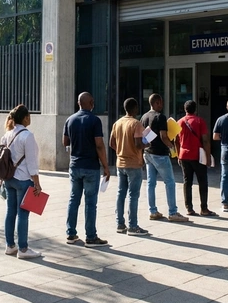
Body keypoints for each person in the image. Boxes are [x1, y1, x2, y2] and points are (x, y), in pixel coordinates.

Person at [63, 92, 111, 247]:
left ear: (78, 103)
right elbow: (99, 144)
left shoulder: (70, 120)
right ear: (91, 102)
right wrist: (105, 165)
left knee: (73, 199)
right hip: (90, 167)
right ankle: (91, 236)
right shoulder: (94, 120)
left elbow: (65, 141)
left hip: (75, 165)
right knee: (90, 202)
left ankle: (71, 233)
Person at [1, 105, 43, 259]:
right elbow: (32, 163)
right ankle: (23, 249)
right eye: (29, 116)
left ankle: (10, 245)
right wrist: (37, 183)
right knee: (23, 214)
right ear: (25, 118)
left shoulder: (7, 134)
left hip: (9, 179)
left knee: (10, 212)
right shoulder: (27, 136)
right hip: (24, 179)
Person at [140, 94, 189, 223]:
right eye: (160, 102)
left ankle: (153, 211)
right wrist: (172, 147)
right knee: (170, 182)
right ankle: (173, 212)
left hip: (148, 152)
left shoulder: (144, 117)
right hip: (160, 153)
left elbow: (143, 136)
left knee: (151, 183)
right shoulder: (160, 117)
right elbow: (163, 136)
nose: (162, 105)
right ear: (156, 103)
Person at [110, 98, 148, 236]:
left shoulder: (117, 123)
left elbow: (111, 143)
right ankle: (133, 226)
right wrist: (146, 144)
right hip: (134, 163)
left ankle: (120, 224)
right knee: (133, 195)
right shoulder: (136, 124)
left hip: (120, 163)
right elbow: (138, 144)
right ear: (135, 109)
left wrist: (121, 150)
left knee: (121, 193)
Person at [176, 100, 216, 217]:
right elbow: (205, 140)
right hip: (197, 155)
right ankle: (204, 208)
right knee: (202, 181)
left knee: (187, 182)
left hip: (184, 155)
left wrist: (178, 155)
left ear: (185, 109)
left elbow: (176, 141)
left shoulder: (179, 122)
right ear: (195, 109)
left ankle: (189, 208)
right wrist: (208, 157)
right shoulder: (200, 121)